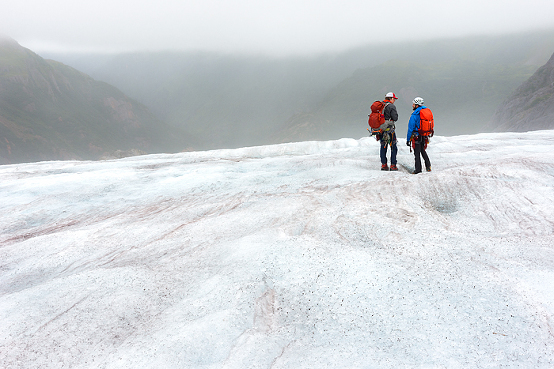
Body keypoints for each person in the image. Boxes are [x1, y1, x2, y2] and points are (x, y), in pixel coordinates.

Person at [406, 97, 432, 174]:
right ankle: (428, 166)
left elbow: (410, 128)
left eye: (413, 104)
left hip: (416, 135)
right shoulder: (426, 111)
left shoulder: (415, 114)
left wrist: (408, 140)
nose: (412, 105)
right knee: (422, 150)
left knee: (417, 153)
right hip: (424, 135)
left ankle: (418, 170)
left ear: (417, 105)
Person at [378, 92, 399, 171]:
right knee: (393, 147)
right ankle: (393, 165)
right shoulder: (391, 106)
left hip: (381, 130)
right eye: (394, 99)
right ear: (391, 98)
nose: (394, 100)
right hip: (390, 130)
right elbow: (395, 118)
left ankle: (384, 165)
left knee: (383, 146)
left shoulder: (381, 105)